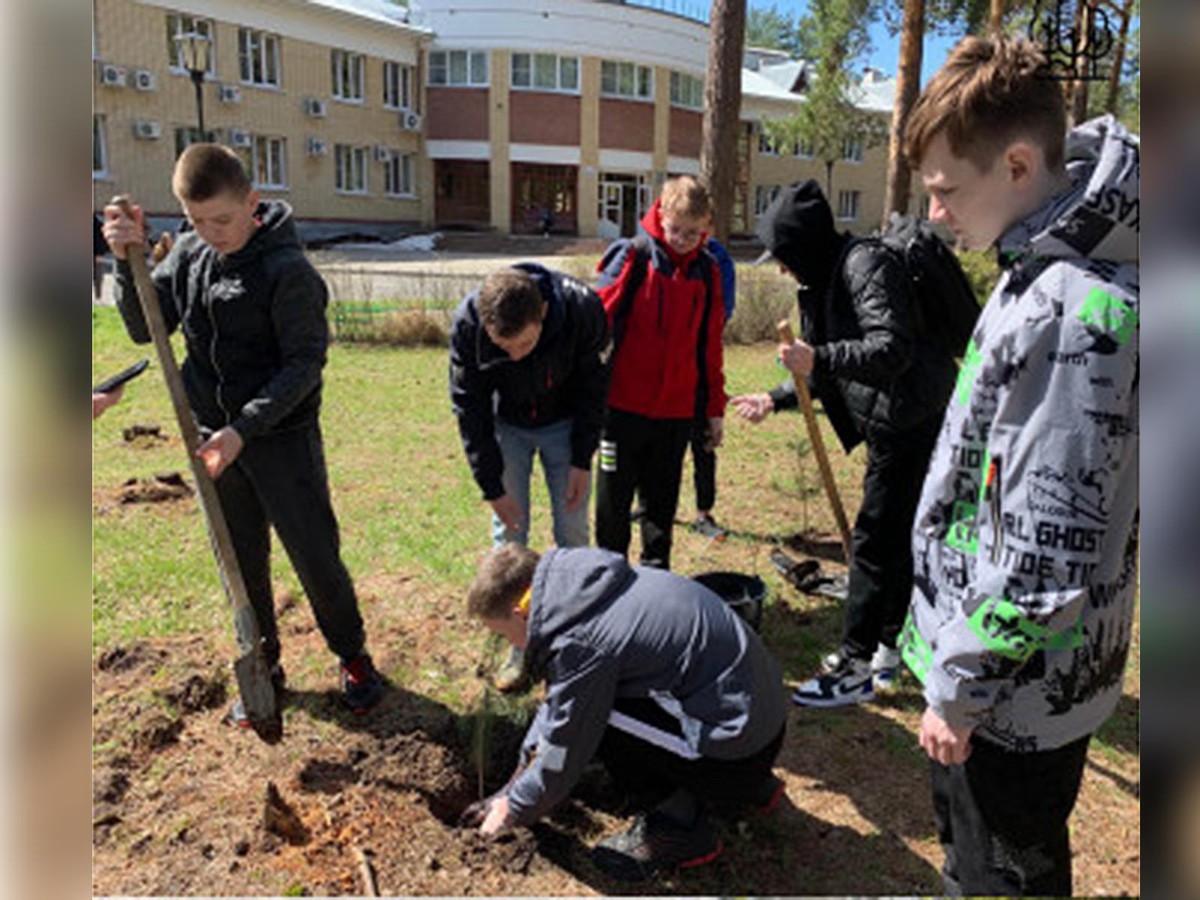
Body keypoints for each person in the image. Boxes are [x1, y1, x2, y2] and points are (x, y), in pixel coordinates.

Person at [900, 36, 1139, 896]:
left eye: (944, 191)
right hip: (1015, 677)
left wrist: (958, 689)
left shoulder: (1075, 309)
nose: (933, 215)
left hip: (1010, 698)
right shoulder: (1043, 260)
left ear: (1017, 162)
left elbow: (1047, 549)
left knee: (998, 873)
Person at [102, 143, 383, 723]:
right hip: (211, 441)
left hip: (281, 440)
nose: (211, 233)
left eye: (223, 219)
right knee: (239, 557)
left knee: (314, 555)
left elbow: (304, 367)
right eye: (197, 221)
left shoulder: (288, 273)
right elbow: (141, 328)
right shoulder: (189, 256)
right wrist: (126, 264)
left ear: (252, 203)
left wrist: (244, 429)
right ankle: (264, 661)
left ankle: (353, 657)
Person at [731, 179, 958, 707]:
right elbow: (827, 366)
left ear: (803, 245)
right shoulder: (825, 277)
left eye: (785, 256)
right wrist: (775, 397)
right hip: (895, 422)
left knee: (877, 540)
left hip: (914, 421)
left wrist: (821, 359)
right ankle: (888, 648)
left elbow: (890, 349)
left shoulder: (864, 266)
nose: (783, 268)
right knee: (896, 538)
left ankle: (856, 663)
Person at [460, 543, 787, 882]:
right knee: (596, 703)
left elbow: (565, 745)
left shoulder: (583, 642)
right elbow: (557, 702)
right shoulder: (584, 588)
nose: (511, 645)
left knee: (601, 717)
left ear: (520, 613)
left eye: (503, 634)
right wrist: (515, 780)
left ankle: (679, 826)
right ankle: (749, 786)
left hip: (738, 753)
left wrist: (515, 808)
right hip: (757, 718)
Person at [449, 264, 610, 690]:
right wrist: (493, 487)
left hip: (565, 424)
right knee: (509, 539)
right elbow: (470, 408)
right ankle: (518, 644)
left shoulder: (582, 309)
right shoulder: (469, 326)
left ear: (541, 313)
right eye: (504, 347)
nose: (516, 356)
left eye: (525, 343)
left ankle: (577, 635)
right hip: (507, 429)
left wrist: (580, 459)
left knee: (573, 531)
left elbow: (596, 387)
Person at [594, 175, 726, 571]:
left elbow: (710, 347)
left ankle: (655, 585)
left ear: (705, 228)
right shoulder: (631, 257)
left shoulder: (708, 271)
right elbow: (595, 325)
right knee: (613, 509)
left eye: (693, 232)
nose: (683, 239)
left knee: (660, 511)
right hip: (621, 410)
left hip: (675, 415)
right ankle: (609, 582)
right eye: (675, 230)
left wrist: (713, 409)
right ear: (659, 215)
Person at [688, 236, 737, 539]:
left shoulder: (717, 259)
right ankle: (646, 503)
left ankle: (703, 513)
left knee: (704, 442)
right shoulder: (658, 251)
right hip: (666, 370)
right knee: (656, 446)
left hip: (701, 364)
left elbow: (724, 309)